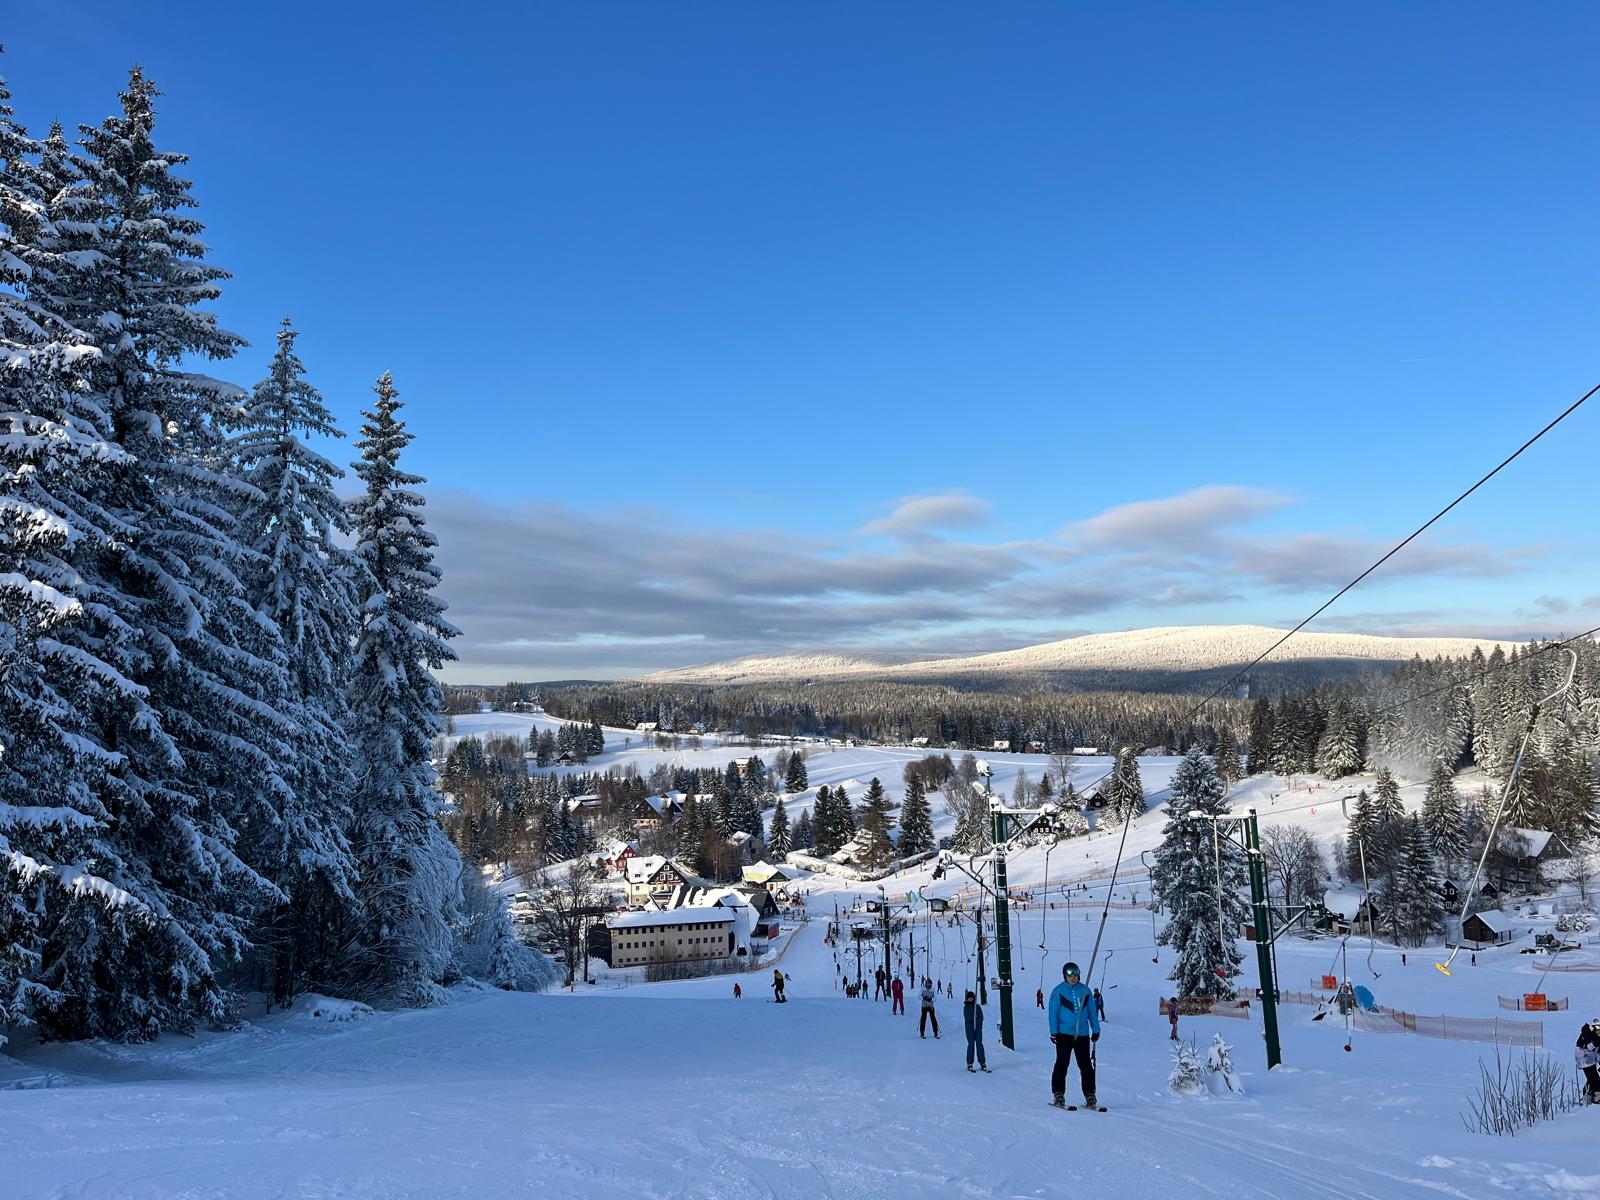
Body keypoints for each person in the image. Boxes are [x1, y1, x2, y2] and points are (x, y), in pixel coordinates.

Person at [1048, 961, 1100, 1108]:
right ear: (1065, 976)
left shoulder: (1085, 991)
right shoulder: (1058, 991)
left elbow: (1092, 1012)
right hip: (1064, 1034)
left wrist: (1096, 1029)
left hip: (1082, 1035)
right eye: (1070, 975)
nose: (1073, 978)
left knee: (1086, 1066)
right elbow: (1053, 1013)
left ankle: (1090, 1095)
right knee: (1062, 1063)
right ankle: (1058, 1094)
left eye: (1076, 975)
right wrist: (1054, 1032)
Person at [964, 990, 990, 1072]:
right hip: (969, 1029)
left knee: (979, 1044)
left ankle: (982, 1062)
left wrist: (977, 1019)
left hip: (978, 1028)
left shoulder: (977, 1007)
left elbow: (981, 1017)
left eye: (971, 998)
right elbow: (967, 1018)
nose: (970, 999)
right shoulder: (966, 1007)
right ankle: (969, 1063)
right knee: (971, 1045)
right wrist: (973, 1018)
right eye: (969, 998)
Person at [1577, 1021, 1600, 1104]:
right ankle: (1595, 1097)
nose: (1598, 1031)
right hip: (1584, 1058)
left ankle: (1587, 1098)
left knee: (1593, 1079)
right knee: (1594, 1079)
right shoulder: (1587, 1033)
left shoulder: (1595, 1035)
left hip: (1591, 1058)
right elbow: (1590, 1046)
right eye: (1597, 1028)